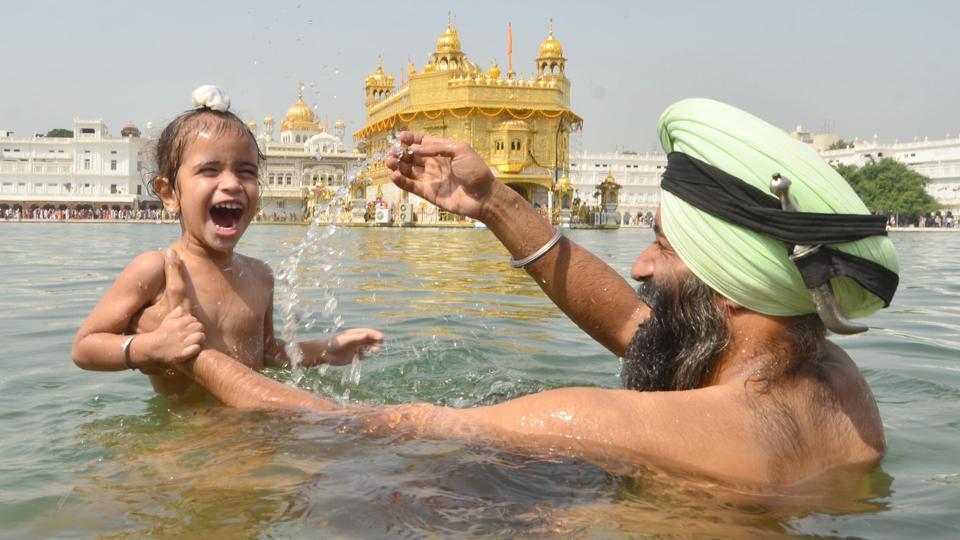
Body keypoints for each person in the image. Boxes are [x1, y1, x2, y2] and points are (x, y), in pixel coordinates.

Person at [167, 98, 900, 487]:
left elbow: (363, 421)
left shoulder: (605, 422)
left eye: (665, 249)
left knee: (363, 491)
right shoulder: (833, 386)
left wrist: (198, 354)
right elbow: (647, 332)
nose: (640, 267)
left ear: (737, 287)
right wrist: (493, 203)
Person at [71, 86, 383, 397]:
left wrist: (327, 349)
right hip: (187, 434)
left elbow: (265, 353)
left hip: (249, 424)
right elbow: (85, 346)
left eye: (246, 172)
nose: (232, 183)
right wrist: (149, 347)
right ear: (169, 194)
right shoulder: (157, 269)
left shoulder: (260, 275)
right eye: (210, 170)